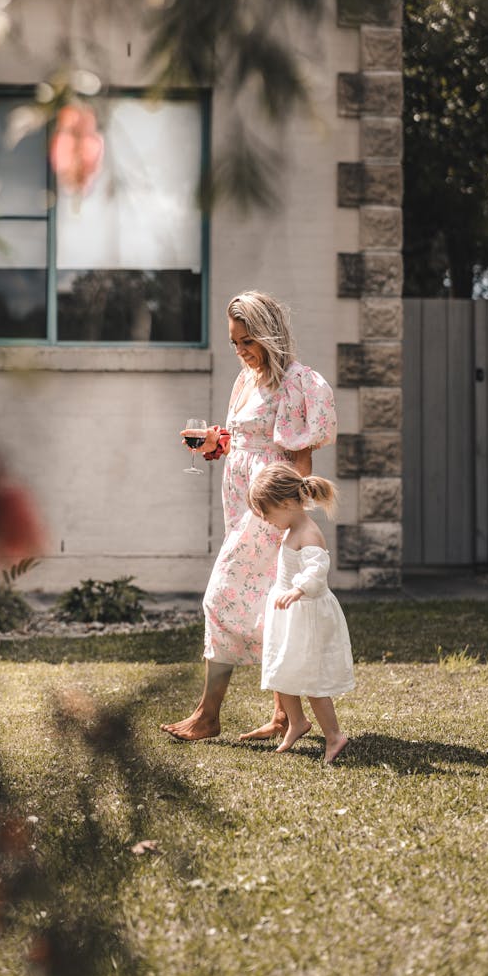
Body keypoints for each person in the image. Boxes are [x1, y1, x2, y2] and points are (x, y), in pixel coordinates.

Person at [160, 290, 336, 742]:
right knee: (264, 602)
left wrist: (286, 519)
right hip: (239, 503)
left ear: (267, 334)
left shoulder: (296, 382)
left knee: (220, 597)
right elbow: (245, 440)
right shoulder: (246, 379)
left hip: (268, 509)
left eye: (246, 341)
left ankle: (207, 715)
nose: (239, 351)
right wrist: (216, 443)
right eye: (234, 342)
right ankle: (284, 715)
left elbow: (299, 462)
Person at [248, 463, 354, 764]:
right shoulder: (293, 527)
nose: (266, 520)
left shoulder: (308, 532)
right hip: (289, 612)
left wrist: (298, 590)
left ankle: (334, 736)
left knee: (311, 680)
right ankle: (297, 722)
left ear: (285, 504)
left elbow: (317, 568)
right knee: (283, 671)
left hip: (306, 614)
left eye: (267, 513)